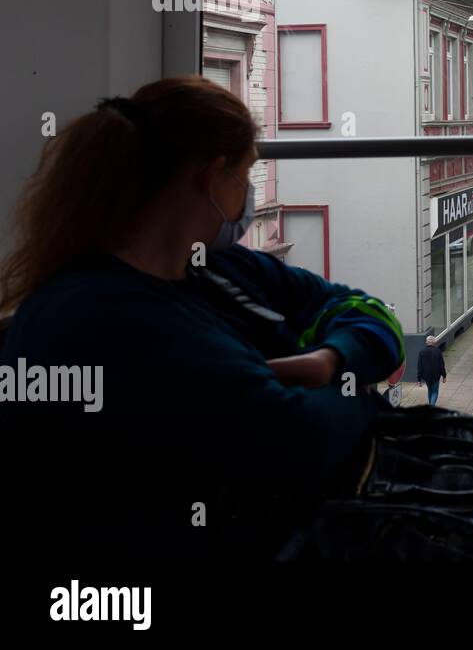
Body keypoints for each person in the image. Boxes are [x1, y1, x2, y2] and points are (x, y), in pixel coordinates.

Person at [0, 77, 405, 560]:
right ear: (212, 177)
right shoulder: (100, 316)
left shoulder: (217, 267)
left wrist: (331, 360)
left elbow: (367, 311)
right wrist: (356, 389)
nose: (248, 194)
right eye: (246, 172)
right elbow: (300, 441)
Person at [417, 334, 448, 406]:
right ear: (434, 342)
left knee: (430, 390)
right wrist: (444, 376)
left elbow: (419, 366)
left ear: (426, 342)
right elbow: (441, 365)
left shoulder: (422, 352)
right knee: (435, 391)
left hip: (426, 376)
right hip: (436, 375)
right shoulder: (438, 352)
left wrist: (419, 379)